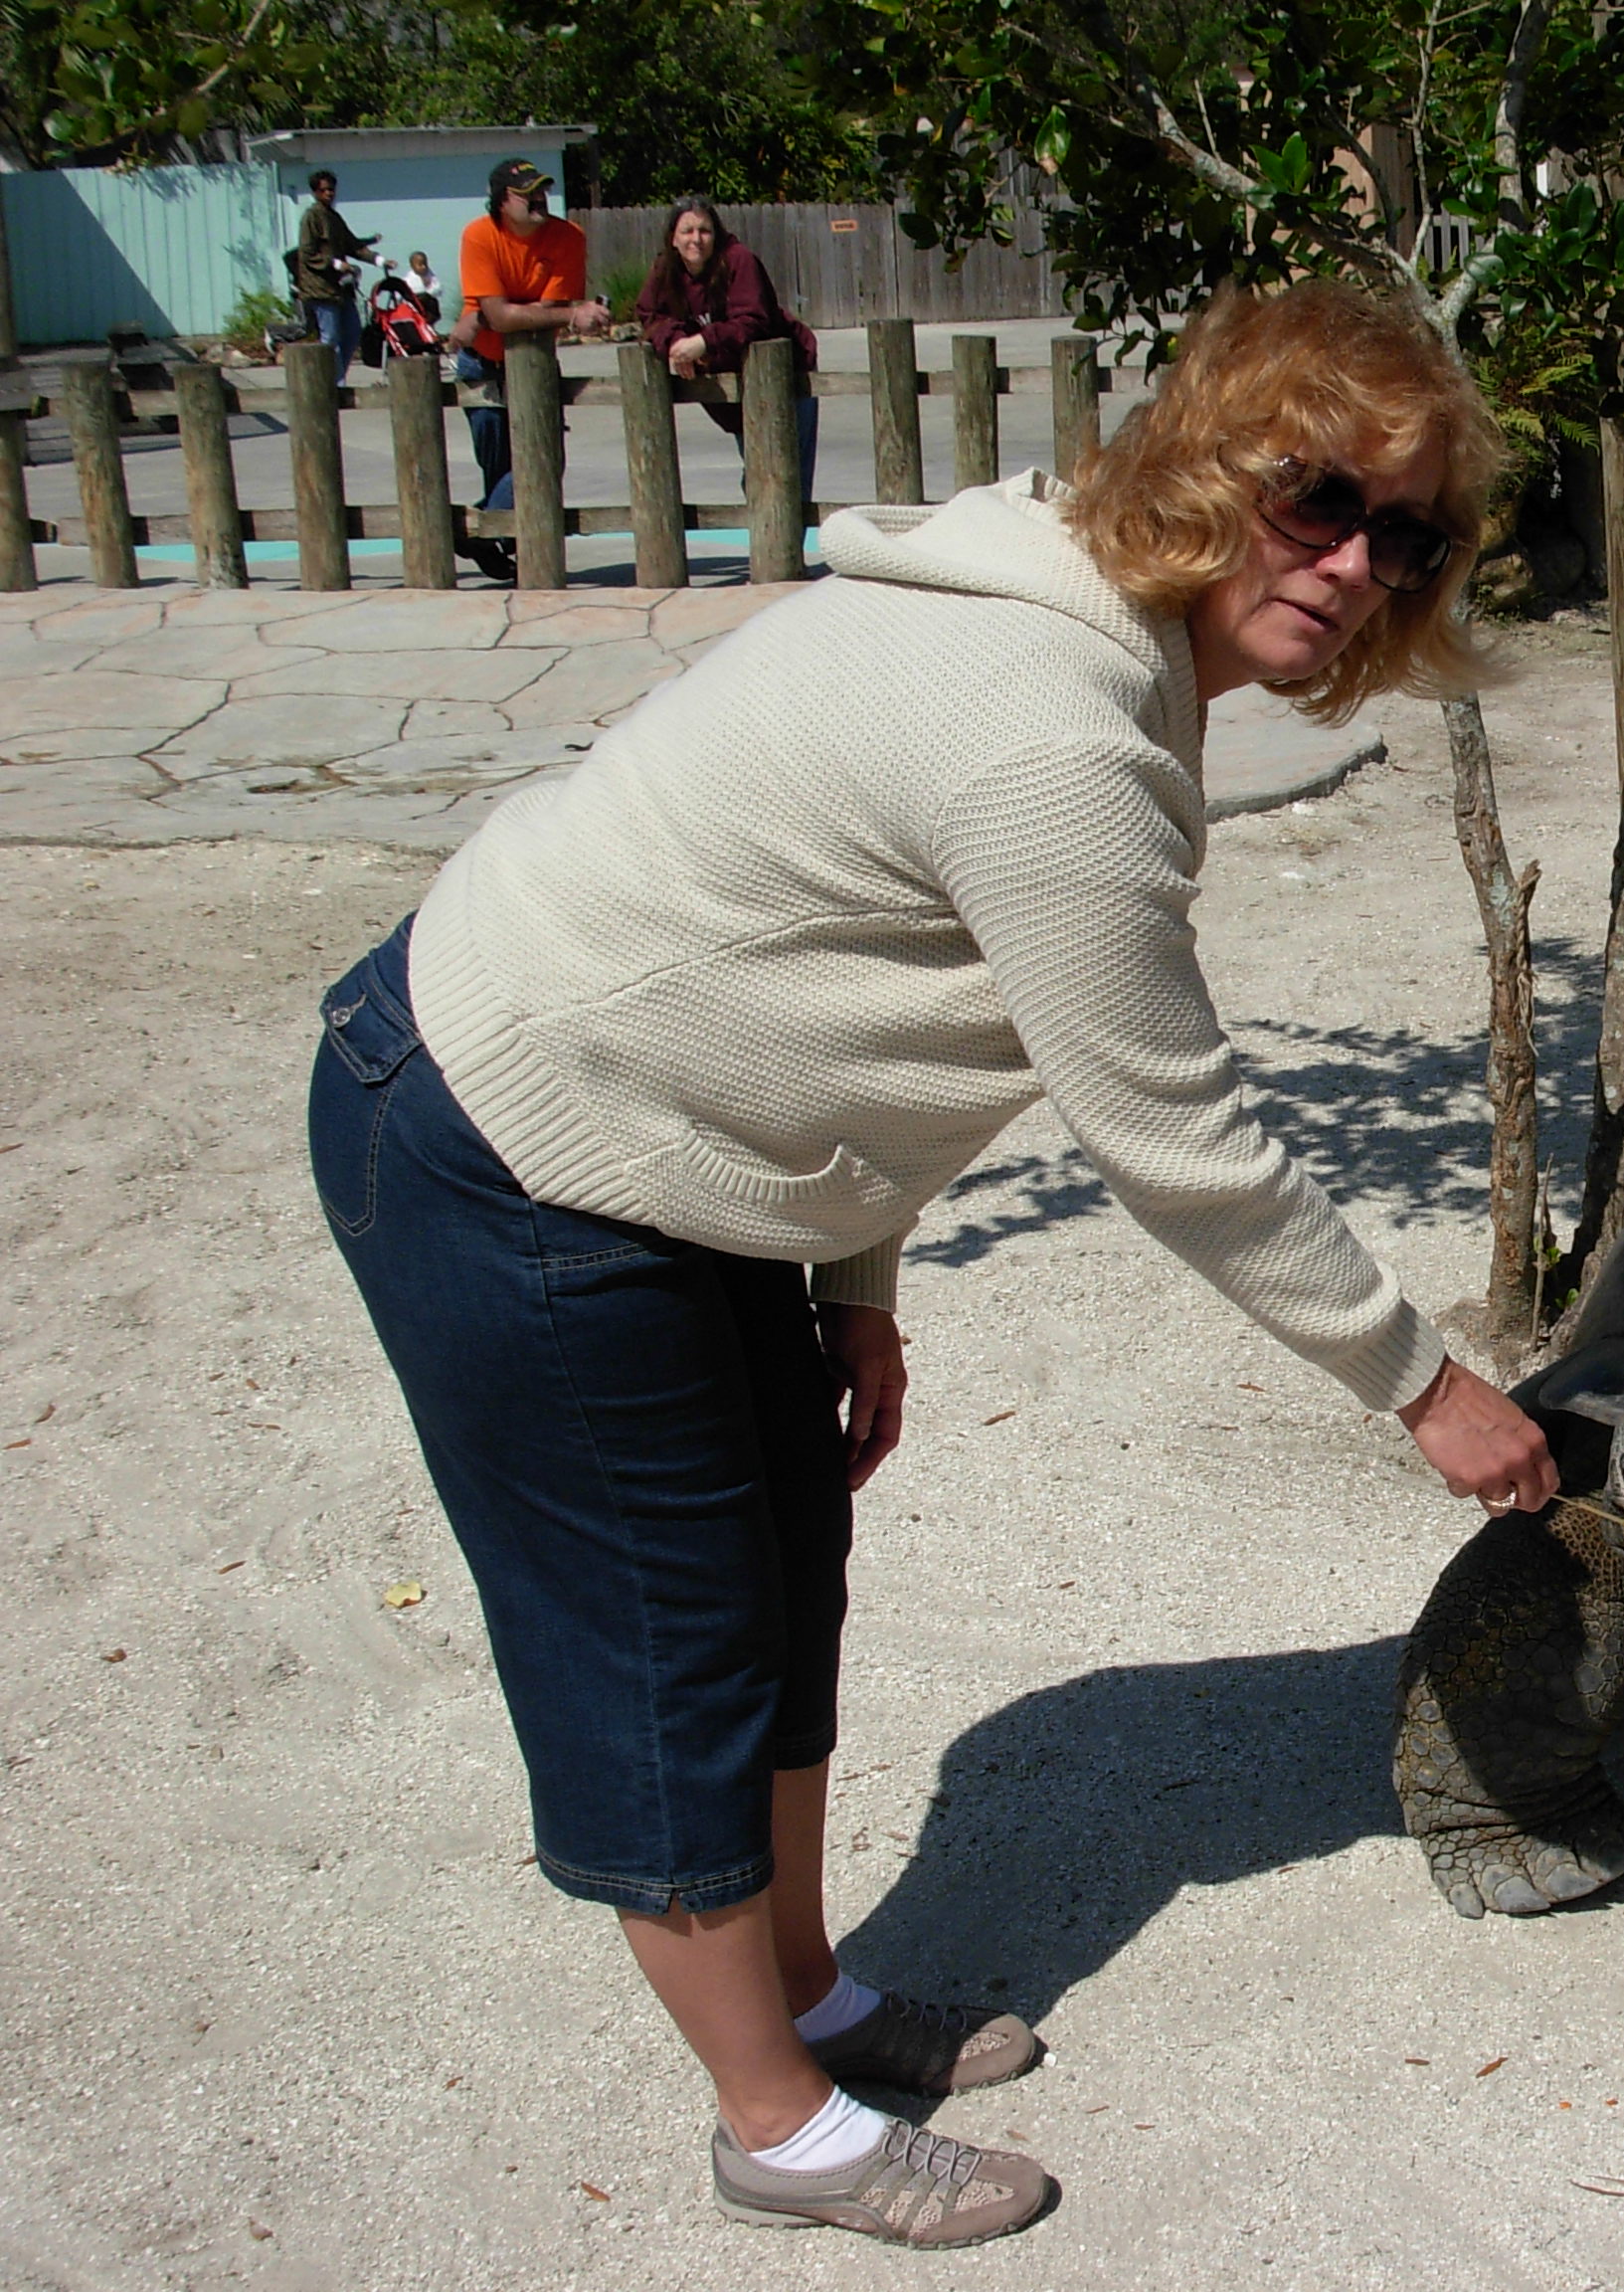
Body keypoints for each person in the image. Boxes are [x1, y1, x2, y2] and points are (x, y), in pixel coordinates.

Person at [306, 278, 1551, 2249]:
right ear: (1213, 467)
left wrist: (855, 1281)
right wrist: (1427, 1380)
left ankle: (805, 1991)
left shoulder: (1095, 631)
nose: (1351, 565)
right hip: (515, 1139)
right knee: (666, 1638)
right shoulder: (1051, 724)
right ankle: (777, 2125)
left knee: (783, 1567)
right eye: (1319, 498)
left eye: (1403, 537)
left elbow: (829, 975)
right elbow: (1175, 1140)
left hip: (678, 1140)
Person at [450, 158, 609, 581]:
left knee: (541, 458)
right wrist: (559, 315)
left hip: (535, 363)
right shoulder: (479, 234)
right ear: (501, 201)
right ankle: (496, 539)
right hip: (482, 364)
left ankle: (473, 530)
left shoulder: (568, 236)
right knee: (497, 464)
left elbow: (536, 312)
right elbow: (505, 318)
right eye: (526, 193)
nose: (539, 199)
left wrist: (487, 315)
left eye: (542, 190)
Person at [637, 195, 823, 518]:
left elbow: (754, 320)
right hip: (732, 384)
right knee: (757, 472)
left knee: (786, 474)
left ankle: (785, 546)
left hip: (786, 373)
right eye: (687, 231)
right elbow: (649, 315)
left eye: (705, 230)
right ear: (673, 238)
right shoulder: (665, 269)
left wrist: (703, 342)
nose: (696, 239)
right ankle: (766, 535)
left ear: (717, 234)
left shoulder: (739, 260)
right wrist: (677, 343)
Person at [289, 170, 377, 380]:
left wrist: (378, 260)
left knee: (353, 333)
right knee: (331, 338)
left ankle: (337, 378)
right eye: (324, 190)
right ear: (315, 192)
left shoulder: (334, 217)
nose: (329, 193)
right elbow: (307, 253)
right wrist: (337, 264)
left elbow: (352, 245)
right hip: (320, 288)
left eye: (331, 189)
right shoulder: (311, 217)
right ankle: (333, 385)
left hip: (340, 288)